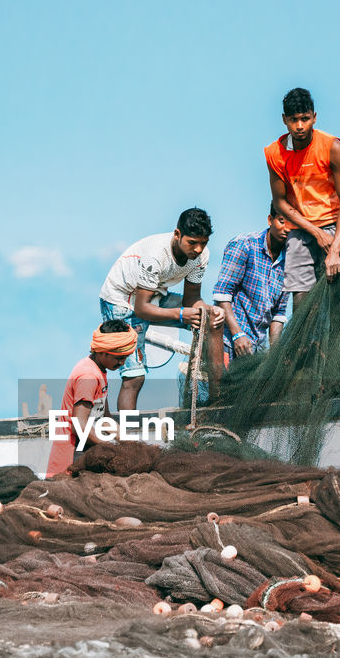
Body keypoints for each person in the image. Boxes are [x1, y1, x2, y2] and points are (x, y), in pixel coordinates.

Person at [98, 208, 225, 411]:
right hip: (123, 301)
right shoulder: (156, 255)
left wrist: (207, 310)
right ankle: (128, 434)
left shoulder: (200, 257)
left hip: (154, 295)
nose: (198, 249)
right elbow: (141, 309)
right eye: (192, 242)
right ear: (177, 234)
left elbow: (192, 298)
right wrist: (182, 314)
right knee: (134, 376)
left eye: (204, 243)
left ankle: (218, 402)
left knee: (211, 319)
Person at [265, 87, 340, 311]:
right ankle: (305, 348)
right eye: (294, 120)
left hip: (337, 228)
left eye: (305, 119)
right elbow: (280, 203)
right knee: (302, 303)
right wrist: (315, 232)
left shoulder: (332, 147)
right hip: (300, 230)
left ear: (314, 117)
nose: (299, 126)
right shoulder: (274, 153)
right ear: (284, 120)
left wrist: (335, 249)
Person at [45, 320, 137, 478]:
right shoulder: (88, 376)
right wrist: (112, 448)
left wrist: (131, 444)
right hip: (70, 461)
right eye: (118, 357)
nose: (122, 363)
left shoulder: (100, 371)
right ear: (102, 351)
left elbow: (105, 419)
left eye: (125, 358)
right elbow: (79, 425)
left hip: (86, 450)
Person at [209, 202, 292, 373]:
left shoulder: (291, 261)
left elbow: (278, 314)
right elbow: (222, 294)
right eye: (282, 221)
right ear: (270, 220)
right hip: (227, 341)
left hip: (255, 350)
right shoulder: (245, 245)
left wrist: (275, 355)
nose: (287, 229)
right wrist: (238, 334)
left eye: (293, 224)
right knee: (221, 396)